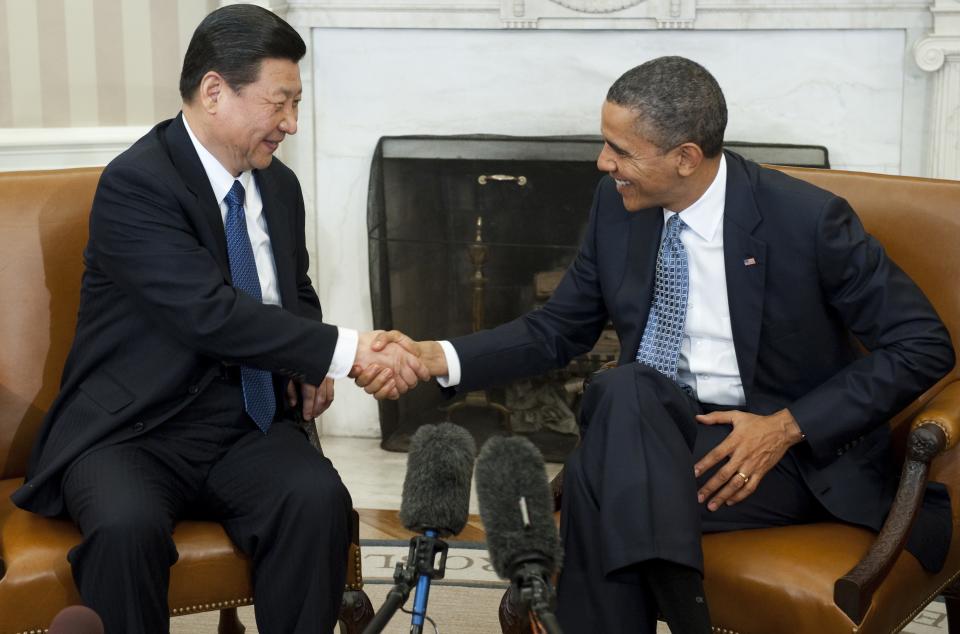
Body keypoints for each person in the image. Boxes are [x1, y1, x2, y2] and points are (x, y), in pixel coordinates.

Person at [357, 56, 956, 632]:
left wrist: (785, 426)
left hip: (783, 455)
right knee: (624, 387)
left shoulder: (808, 220)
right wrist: (437, 356)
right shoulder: (619, 209)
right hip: (654, 428)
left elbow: (923, 346)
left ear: (686, 158)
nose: (601, 163)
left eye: (621, 150)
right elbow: (558, 328)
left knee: (596, 497)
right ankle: (683, 605)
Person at [10, 5, 425, 633]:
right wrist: (342, 351)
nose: (291, 122)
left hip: (243, 423)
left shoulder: (279, 187)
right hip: (132, 429)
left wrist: (309, 362)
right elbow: (208, 314)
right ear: (214, 91)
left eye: (296, 103)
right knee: (126, 531)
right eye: (278, 103)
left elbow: (294, 288)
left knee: (316, 503)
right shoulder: (136, 184)